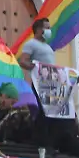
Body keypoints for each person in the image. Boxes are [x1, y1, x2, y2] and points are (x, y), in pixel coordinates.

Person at [17, 18, 57, 149]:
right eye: (47, 27)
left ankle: (50, 140)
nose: (49, 30)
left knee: (51, 112)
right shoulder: (31, 44)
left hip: (51, 84)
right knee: (40, 112)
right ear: (39, 30)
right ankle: (39, 141)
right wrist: (35, 68)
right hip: (39, 84)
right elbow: (23, 61)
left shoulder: (48, 47)